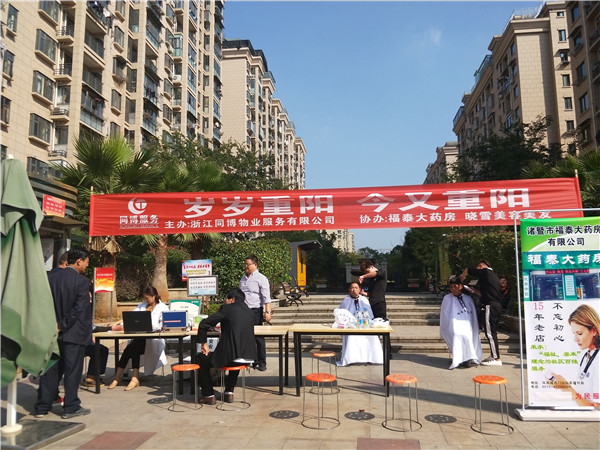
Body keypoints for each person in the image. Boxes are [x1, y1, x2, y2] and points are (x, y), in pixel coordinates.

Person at [34, 247, 93, 419]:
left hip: (51, 332)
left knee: (50, 370)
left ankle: (42, 407)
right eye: (86, 262)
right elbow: (78, 309)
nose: (87, 266)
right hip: (73, 333)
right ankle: (71, 406)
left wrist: (53, 326)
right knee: (72, 371)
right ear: (78, 261)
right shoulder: (81, 282)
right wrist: (62, 325)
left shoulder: (50, 278)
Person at [196, 288, 256, 405]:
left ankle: (209, 395)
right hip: (248, 357)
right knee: (235, 355)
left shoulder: (227, 309)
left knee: (201, 358)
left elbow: (204, 324)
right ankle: (229, 392)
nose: (224, 301)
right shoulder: (250, 312)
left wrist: (204, 344)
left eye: (225, 299)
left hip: (232, 357)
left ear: (232, 299)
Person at [107, 286, 168, 391]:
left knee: (132, 348)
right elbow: (132, 317)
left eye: (148, 298)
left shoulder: (162, 307)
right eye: (145, 298)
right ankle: (131, 378)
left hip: (153, 339)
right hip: (140, 337)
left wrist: (152, 326)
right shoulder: (142, 305)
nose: (146, 300)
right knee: (131, 348)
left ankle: (119, 378)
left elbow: (163, 324)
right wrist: (118, 323)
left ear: (154, 296)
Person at [550, 304, 599, 408]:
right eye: (574, 333)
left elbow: (597, 409)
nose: (575, 339)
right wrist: (563, 386)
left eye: (579, 333)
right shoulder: (587, 355)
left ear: (594, 331)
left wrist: (568, 388)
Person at [461, 259, 503, 366]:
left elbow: (468, 270)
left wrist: (462, 277)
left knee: (490, 333)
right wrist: (474, 291)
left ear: (480, 266)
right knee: (491, 332)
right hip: (495, 305)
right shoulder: (493, 276)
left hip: (490, 306)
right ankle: (494, 355)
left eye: (477, 269)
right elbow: (484, 294)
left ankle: (496, 358)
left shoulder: (486, 272)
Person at [439, 276, 482, 369]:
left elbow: (472, 314)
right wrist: (448, 325)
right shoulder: (447, 298)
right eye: (451, 287)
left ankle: (468, 357)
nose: (453, 289)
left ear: (460, 286)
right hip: (453, 324)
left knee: (468, 335)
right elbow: (445, 314)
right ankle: (458, 358)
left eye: (455, 286)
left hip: (467, 324)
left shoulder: (468, 299)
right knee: (456, 334)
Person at [337, 282, 383, 366]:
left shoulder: (364, 300)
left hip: (364, 323)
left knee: (371, 336)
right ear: (349, 290)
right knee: (351, 337)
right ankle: (350, 359)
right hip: (351, 326)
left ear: (360, 290)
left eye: (356, 288)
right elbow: (341, 314)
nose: (354, 290)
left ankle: (371, 358)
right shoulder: (345, 301)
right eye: (352, 288)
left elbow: (369, 313)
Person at [239, 254, 271, 371]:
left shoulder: (261, 278)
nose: (246, 266)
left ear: (255, 265)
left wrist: (267, 311)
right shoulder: (243, 278)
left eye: (248, 264)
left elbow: (266, 297)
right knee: (247, 337)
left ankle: (262, 362)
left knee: (258, 337)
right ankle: (251, 360)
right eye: (245, 264)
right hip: (244, 311)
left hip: (255, 311)